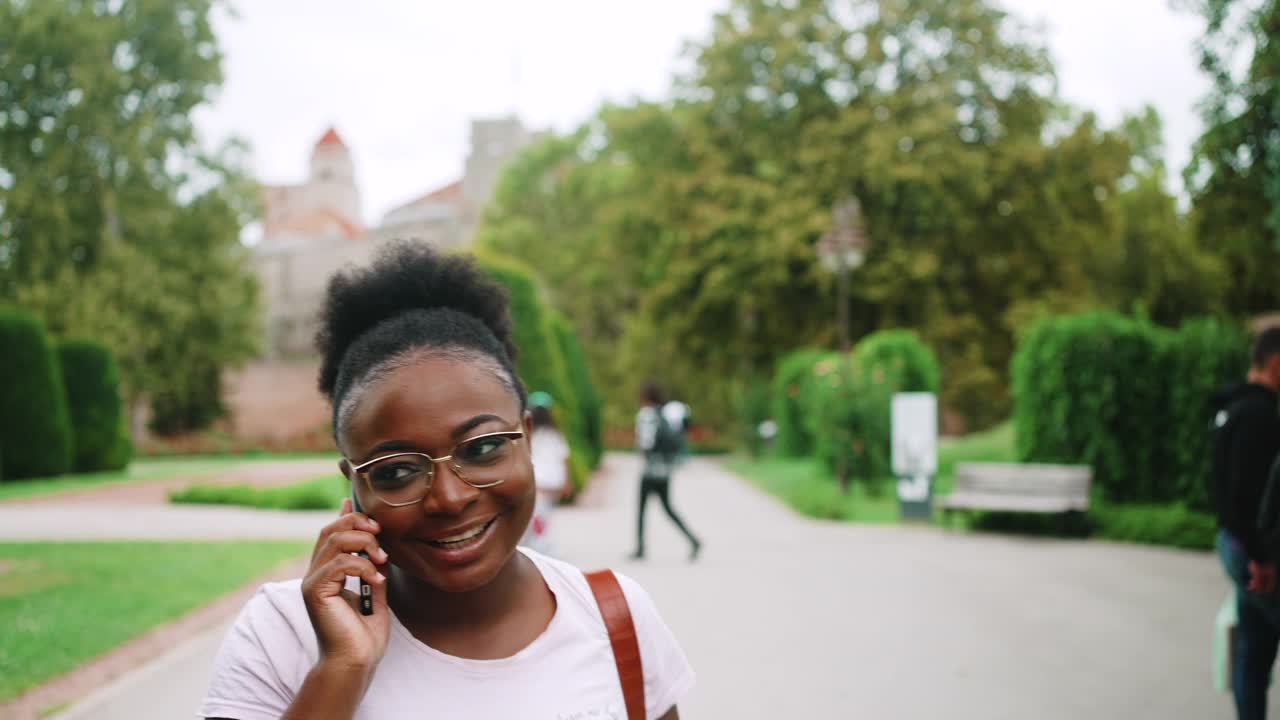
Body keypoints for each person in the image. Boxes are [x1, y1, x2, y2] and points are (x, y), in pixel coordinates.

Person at [200, 242, 693, 719]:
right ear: (354, 484)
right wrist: (343, 668)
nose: (449, 498)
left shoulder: (616, 619)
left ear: (524, 434)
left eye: (481, 449)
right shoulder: (282, 636)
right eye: (396, 471)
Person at [1212, 326, 1280, 720]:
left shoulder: (1233, 408)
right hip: (1252, 550)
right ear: (1276, 364)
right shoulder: (1258, 414)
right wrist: (1260, 559)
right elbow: (1245, 494)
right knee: (1254, 650)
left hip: (1236, 542)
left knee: (1253, 649)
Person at [631, 382, 701, 561]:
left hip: (650, 470)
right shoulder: (665, 413)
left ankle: (640, 548)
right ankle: (693, 539)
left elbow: (645, 442)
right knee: (668, 508)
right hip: (665, 469)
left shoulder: (646, 415)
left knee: (641, 509)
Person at [519, 400, 572, 556]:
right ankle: (539, 546)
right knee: (544, 515)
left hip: (539, 483)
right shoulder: (556, 435)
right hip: (554, 483)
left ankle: (541, 549)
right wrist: (568, 483)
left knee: (537, 518)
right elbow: (565, 459)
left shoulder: (530, 436)